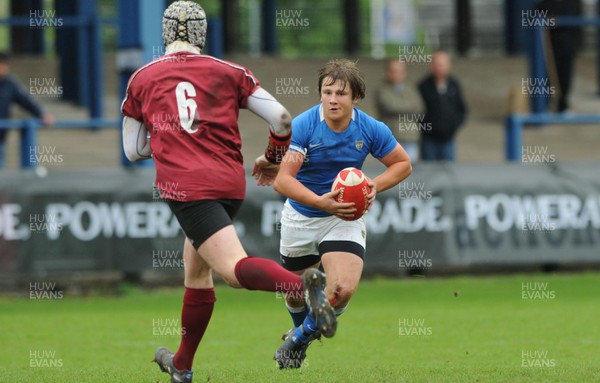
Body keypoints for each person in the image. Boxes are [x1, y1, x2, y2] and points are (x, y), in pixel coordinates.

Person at [120, 2, 335, 382]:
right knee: (197, 271)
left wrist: (167, 137)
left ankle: (300, 285)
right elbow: (282, 118)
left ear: (166, 34)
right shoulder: (229, 72)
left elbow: (133, 151)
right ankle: (181, 365)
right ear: (202, 34)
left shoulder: (142, 78)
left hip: (187, 187)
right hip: (230, 182)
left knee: (234, 272)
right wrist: (272, 157)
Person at [271, 59, 412, 368]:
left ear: (356, 97)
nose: (333, 99)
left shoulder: (371, 128)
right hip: (302, 216)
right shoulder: (305, 125)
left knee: (342, 291)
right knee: (294, 294)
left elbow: (403, 164)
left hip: (344, 216)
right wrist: (321, 202)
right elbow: (282, 180)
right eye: (327, 92)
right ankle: (300, 334)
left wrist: (373, 185)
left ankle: (297, 340)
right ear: (320, 94)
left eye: (341, 94)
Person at [0, 52, 54, 168]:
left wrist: (42, 114)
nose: (3, 68)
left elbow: (26, 100)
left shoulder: (10, 83)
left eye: (4, 64)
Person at [417, 51, 467, 161]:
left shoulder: (454, 85)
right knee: (429, 172)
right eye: (437, 64)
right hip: (429, 140)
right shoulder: (423, 87)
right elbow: (416, 111)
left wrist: (453, 125)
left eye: (442, 64)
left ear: (449, 66)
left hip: (448, 139)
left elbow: (462, 109)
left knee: (448, 171)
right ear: (431, 66)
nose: (439, 68)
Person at [536, 0, 582, 113]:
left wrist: (579, 45)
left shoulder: (575, 3)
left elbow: (579, 24)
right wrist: (548, 21)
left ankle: (562, 105)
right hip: (551, 47)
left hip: (569, 45)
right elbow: (532, 18)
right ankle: (546, 105)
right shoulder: (546, 3)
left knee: (565, 76)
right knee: (547, 76)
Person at [375, 59, 422, 162]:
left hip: (411, 137)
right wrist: (409, 105)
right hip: (392, 138)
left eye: (399, 71)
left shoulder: (411, 88)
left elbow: (419, 108)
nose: (396, 74)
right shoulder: (382, 89)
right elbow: (389, 106)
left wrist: (400, 105)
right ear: (387, 72)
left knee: (412, 171)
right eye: (393, 71)